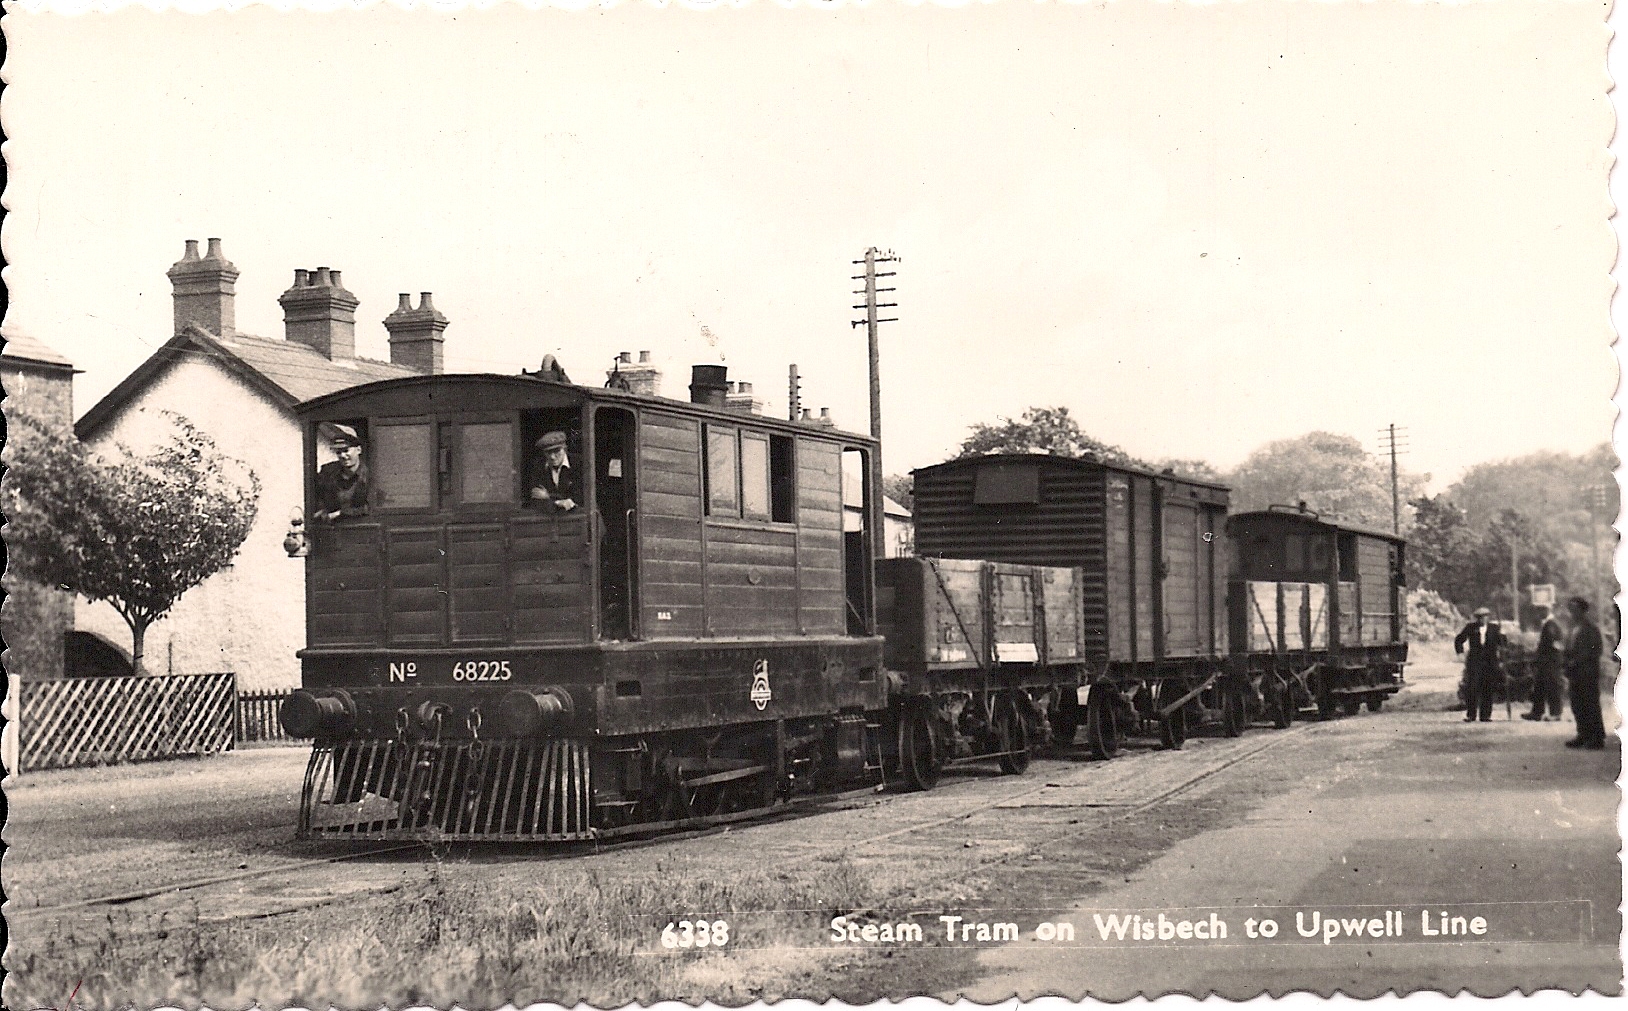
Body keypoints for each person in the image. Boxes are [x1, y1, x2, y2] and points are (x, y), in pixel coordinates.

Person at [1563, 596, 1606, 750]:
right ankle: (1583, 734)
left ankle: (1597, 737)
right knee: (1577, 705)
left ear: (1582, 610)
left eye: (1574, 609)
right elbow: (1568, 648)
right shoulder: (1572, 629)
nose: (1572, 612)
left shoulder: (1591, 629)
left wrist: (1578, 661)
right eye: (1570, 609)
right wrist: (1566, 662)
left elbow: (1595, 650)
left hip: (1587, 673)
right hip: (1574, 673)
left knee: (1590, 704)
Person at [1453, 606, 1504, 723]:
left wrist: (1503, 636)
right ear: (1477, 618)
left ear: (1488, 617)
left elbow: (1502, 644)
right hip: (1474, 662)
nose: (1482, 619)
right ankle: (1471, 715)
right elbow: (1459, 639)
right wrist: (1460, 653)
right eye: (1480, 617)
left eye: (1485, 617)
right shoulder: (1470, 628)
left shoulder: (1494, 628)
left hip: (1490, 662)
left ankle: (1485, 715)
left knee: (1488, 688)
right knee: (1472, 688)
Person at [315, 423, 369, 521]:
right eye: (338, 452)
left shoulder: (370, 475)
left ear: (358, 450)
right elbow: (317, 498)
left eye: (346, 450)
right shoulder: (327, 472)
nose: (343, 455)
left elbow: (371, 508)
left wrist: (341, 513)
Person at [1522, 605, 1566, 721]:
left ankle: (1555, 713)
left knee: (1552, 686)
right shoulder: (1549, 623)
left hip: (1550, 661)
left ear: (1546, 610)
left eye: (1540, 610)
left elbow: (1551, 642)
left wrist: (1541, 653)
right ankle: (1536, 712)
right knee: (1539, 686)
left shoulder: (1551, 624)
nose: (1538, 613)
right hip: (1546, 660)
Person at [528, 430, 578, 512]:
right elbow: (536, 498)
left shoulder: (578, 463)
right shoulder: (539, 467)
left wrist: (548, 496)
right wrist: (559, 502)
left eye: (556, 451)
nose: (552, 457)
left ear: (564, 449)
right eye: (548, 452)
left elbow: (581, 497)